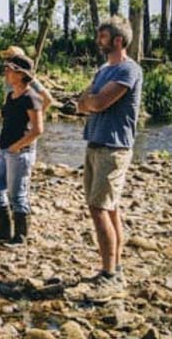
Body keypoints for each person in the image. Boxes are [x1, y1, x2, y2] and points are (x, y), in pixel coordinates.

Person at [77, 16, 142, 301]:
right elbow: (82, 103)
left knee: (99, 208)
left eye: (102, 37)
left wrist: (92, 101)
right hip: (95, 143)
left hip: (113, 148)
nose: (98, 41)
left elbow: (99, 101)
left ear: (118, 40)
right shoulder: (104, 70)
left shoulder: (129, 69)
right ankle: (114, 267)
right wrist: (91, 101)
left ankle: (110, 276)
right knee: (109, 208)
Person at [0, 55, 45, 245]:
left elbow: (38, 130)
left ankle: (20, 237)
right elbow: (7, 125)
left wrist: (16, 147)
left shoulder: (32, 98)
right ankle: (3, 232)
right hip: (5, 150)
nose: (6, 72)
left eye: (9, 69)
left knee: (17, 195)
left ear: (20, 74)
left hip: (20, 153)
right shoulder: (10, 96)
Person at [0, 45, 57, 110]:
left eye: (9, 59)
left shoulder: (28, 79)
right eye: (6, 59)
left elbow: (48, 99)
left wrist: (38, 114)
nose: (6, 62)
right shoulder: (8, 77)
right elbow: (7, 100)